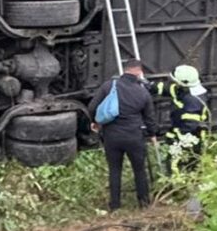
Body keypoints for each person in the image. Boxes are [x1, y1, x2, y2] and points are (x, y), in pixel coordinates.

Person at [88, 59, 157, 211]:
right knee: (139, 170)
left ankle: (115, 206)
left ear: (124, 70)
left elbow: (92, 106)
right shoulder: (143, 92)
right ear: (139, 72)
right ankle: (144, 204)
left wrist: (95, 122)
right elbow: (150, 118)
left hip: (112, 136)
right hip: (134, 136)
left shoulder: (108, 86)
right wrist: (152, 134)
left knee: (114, 170)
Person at [154, 65, 209, 173]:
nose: (173, 83)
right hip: (183, 133)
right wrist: (150, 86)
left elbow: (190, 125)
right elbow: (169, 89)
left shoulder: (192, 101)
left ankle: (179, 187)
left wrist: (175, 137)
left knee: (177, 164)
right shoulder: (185, 90)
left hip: (190, 137)